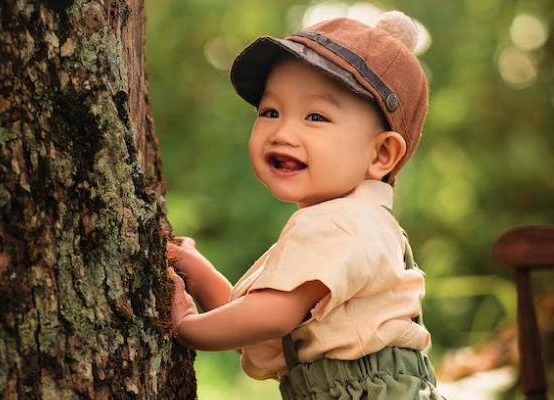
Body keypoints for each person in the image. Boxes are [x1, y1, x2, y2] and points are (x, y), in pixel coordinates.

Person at [167, 10, 447, 399]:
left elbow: (270, 316)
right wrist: (200, 275)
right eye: (270, 112)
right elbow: (258, 325)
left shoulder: (339, 223)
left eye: (316, 116)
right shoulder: (357, 226)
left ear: (382, 153)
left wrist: (185, 328)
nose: (283, 132)